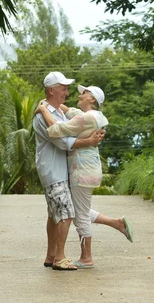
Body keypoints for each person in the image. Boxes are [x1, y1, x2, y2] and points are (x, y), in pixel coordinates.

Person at [36, 81, 134, 269]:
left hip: (82, 172)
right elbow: (69, 111)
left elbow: (56, 130)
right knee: (76, 209)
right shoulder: (91, 115)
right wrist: (49, 103)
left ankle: (86, 258)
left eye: (84, 93)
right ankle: (117, 223)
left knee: (79, 215)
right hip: (87, 170)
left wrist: (43, 110)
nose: (79, 95)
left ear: (92, 99)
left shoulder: (86, 118)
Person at [33, 72, 104, 271]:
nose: (67, 91)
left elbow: (72, 117)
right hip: (53, 169)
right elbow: (61, 141)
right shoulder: (43, 115)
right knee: (65, 214)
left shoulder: (58, 113)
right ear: (51, 90)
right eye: (63, 87)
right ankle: (60, 258)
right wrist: (88, 142)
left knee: (54, 214)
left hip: (62, 170)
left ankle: (51, 255)